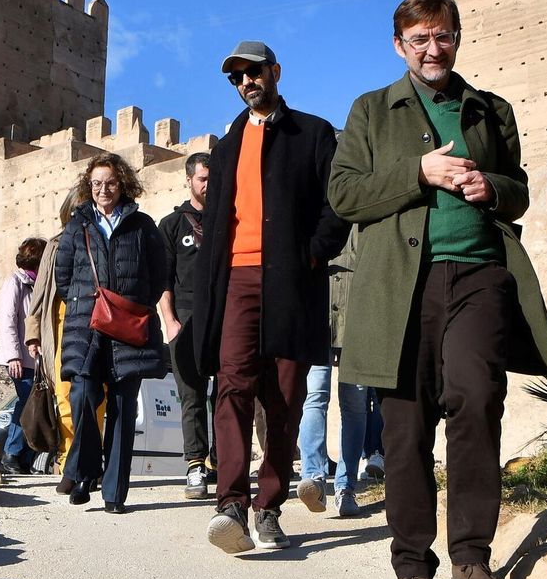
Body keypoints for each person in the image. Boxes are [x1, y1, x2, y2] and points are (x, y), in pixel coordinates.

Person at [330, 0, 547, 579]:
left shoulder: (490, 110)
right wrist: (417, 173)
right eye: (420, 39)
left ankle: (473, 557)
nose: (433, 49)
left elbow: (519, 192)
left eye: (444, 36)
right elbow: (345, 195)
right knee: (405, 427)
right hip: (400, 286)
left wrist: (495, 187)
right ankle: (412, 569)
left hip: (480, 274)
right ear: (400, 45)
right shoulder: (371, 111)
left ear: (457, 38)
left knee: (478, 400)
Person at [192, 40, 348, 553]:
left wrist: (311, 253)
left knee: (283, 396)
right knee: (232, 386)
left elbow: (337, 205)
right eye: (236, 77)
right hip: (235, 279)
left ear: (275, 71)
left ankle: (269, 507)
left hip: (290, 280)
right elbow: (217, 221)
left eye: (253, 72)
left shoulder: (313, 133)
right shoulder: (227, 145)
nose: (245, 83)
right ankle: (231, 503)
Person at [55, 153, 168, 513]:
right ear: (89, 187)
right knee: (83, 396)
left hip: (128, 328)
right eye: (96, 184)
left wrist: (132, 303)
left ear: (123, 184)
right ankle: (85, 469)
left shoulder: (143, 225)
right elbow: (63, 277)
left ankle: (114, 494)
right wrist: (84, 301)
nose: (104, 190)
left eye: (111, 183)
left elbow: (160, 275)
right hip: (86, 326)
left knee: (122, 406)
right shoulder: (78, 226)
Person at [296, 227, 383, 518]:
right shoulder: (318, 210)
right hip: (318, 321)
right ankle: (314, 478)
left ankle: (345, 487)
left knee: (353, 405)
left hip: (359, 324)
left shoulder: (367, 215)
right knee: (316, 397)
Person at [26, 190, 104, 493]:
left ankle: (87, 465)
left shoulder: (102, 240)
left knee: (95, 399)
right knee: (65, 398)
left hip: (96, 325)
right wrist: (33, 334)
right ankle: (70, 459)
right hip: (62, 328)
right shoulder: (56, 245)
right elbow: (41, 293)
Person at [157, 151, 213, 499]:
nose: (209, 184)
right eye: (203, 178)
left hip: (223, 317)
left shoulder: (229, 219)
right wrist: (171, 321)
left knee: (226, 393)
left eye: (213, 178)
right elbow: (162, 279)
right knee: (191, 395)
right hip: (185, 318)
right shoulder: (172, 225)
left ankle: (224, 464)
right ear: (189, 180)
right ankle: (195, 465)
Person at [0, 237, 47, 474]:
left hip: (37, 360)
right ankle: (12, 454)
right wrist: (13, 356)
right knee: (28, 403)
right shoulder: (15, 282)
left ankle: (25, 458)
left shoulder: (40, 285)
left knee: (36, 405)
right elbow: (7, 321)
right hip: (20, 359)